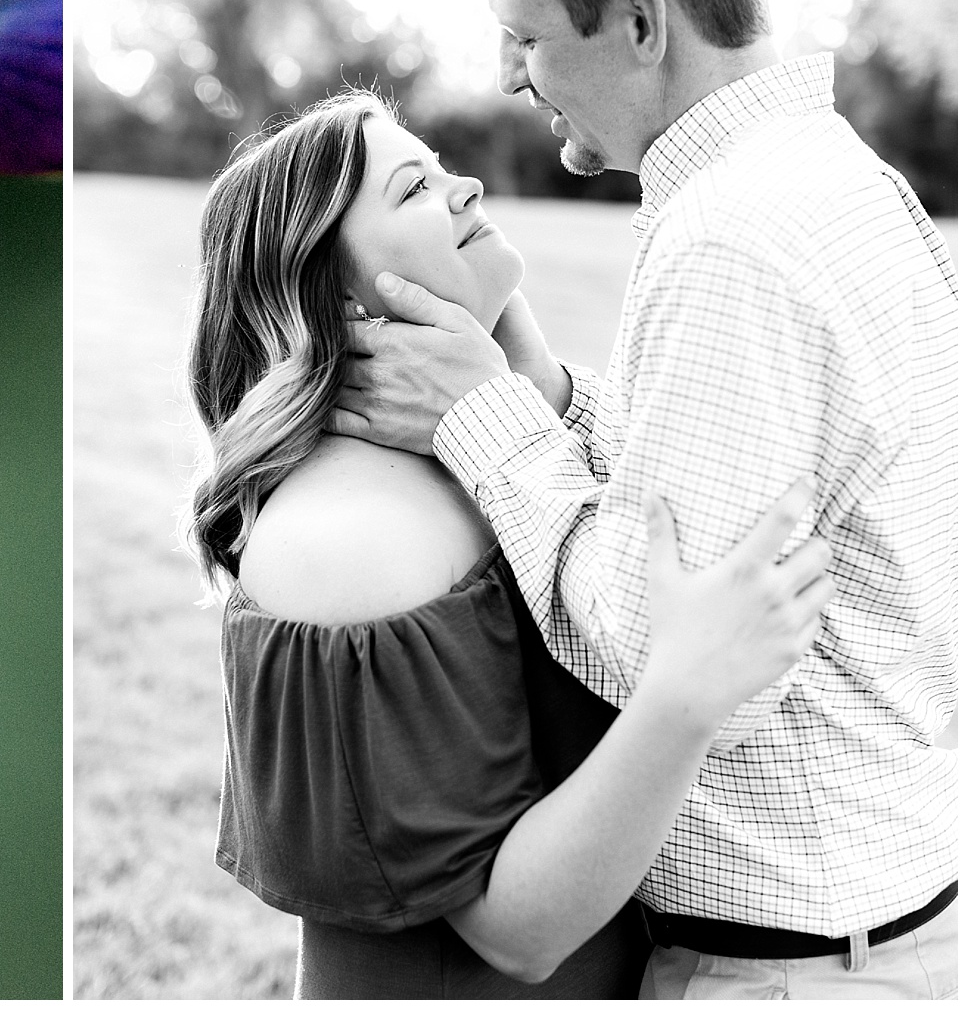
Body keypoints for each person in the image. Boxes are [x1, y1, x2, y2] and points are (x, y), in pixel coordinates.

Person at [330, 0, 957, 999]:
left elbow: (655, 645)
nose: (509, 75)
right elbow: (740, 490)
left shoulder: (731, 237)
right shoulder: (838, 179)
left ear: (636, 19)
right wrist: (550, 393)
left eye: (524, 36)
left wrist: (482, 420)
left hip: (798, 973)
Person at [186, 94, 833, 998]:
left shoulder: (482, 448)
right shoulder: (349, 538)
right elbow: (514, 933)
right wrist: (687, 693)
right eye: (414, 189)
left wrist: (525, 374)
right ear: (336, 295)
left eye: (439, 167)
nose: (467, 187)